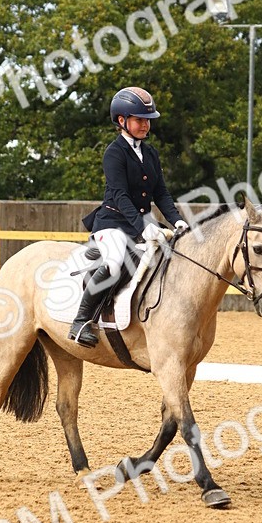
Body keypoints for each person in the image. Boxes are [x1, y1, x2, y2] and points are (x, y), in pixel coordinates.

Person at [68, 87, 188, 347]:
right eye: (139, 119)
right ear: (122, 121)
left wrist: (177, 220)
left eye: (147, 120)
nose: (145, 124)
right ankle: (81, 321)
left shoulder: (151, 153)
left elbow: (161, 193)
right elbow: (120, 196)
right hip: (112, 224)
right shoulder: (114, 153)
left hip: (141, 224)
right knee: (115, 262)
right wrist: (144, 227)